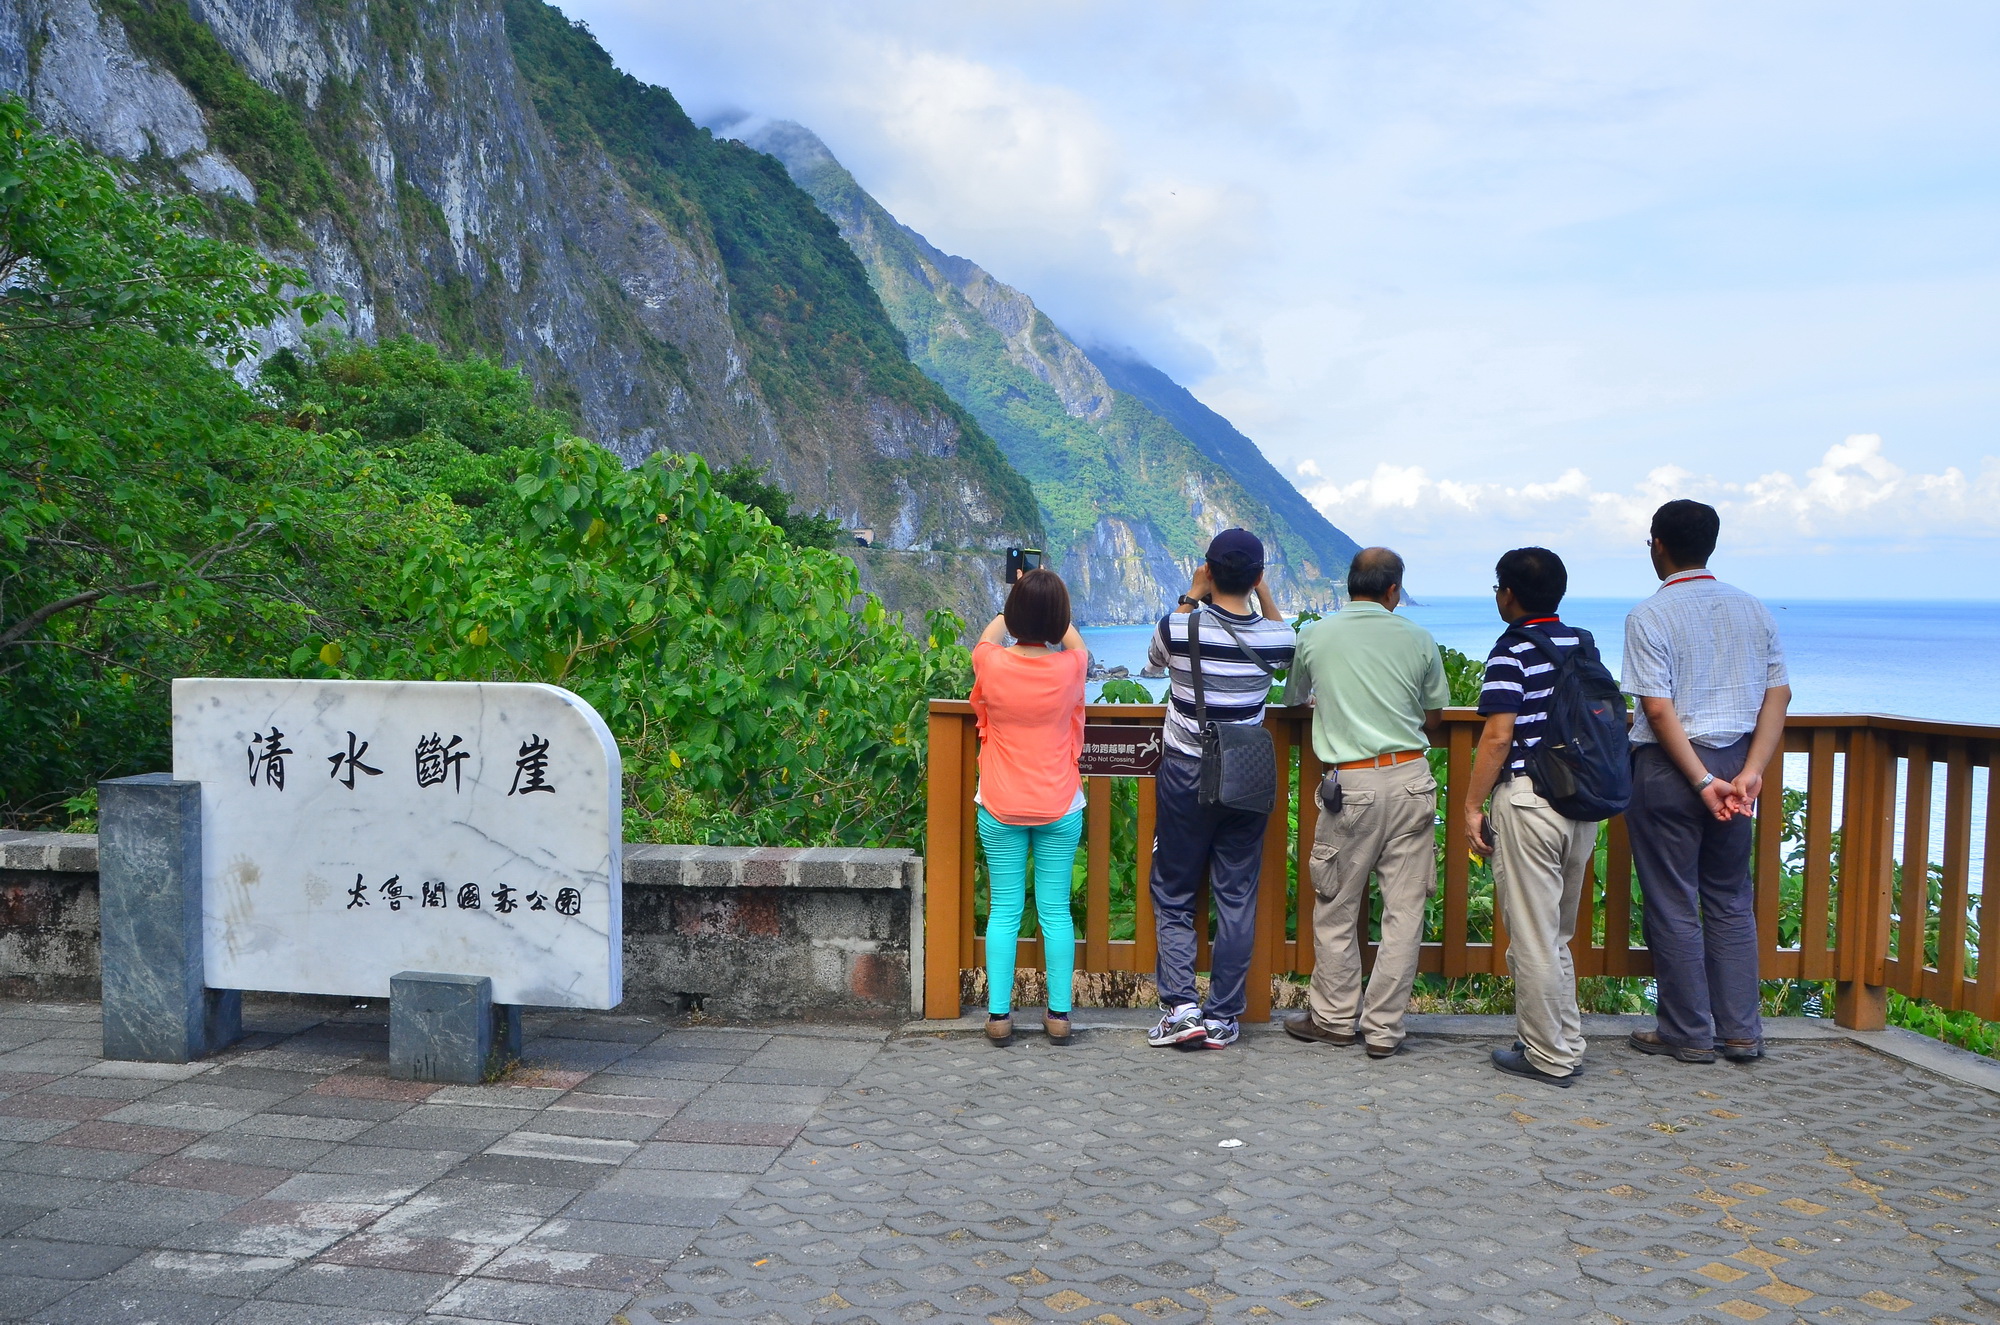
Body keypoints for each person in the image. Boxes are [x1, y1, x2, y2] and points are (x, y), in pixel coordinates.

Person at [1622, 500, 1790, 1064]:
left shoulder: (1650, 615)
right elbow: (1778, 695)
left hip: (1671, 773)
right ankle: (1742, 1032)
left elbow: (1659, 709)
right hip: (1738, 763)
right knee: (1729, 899)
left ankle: (1688, 1034)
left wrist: (1699, 780)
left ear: (1659, 546)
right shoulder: (1753, 609)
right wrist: (1750, 773)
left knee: (1673, 902)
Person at [1281, 548, 1448, 1059]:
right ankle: (1383, 1030)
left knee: (1335, 906)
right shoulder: (1418, 638)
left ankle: (1333, 1019)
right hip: (1411, 782)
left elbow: (1293, 702)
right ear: (1394, 590)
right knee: (1404, 911)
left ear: (1348, 585)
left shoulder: (1316, 634)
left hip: (1349, 787)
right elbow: (1435, 715)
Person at [1145, 529, 1295, 1051]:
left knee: (1173, 889)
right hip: (1244, 776)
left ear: (1207, 569)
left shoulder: (1180, 625)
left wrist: (1192, 593)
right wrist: (1265, 593)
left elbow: (1153, 660)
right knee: (1235, 894)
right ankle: (1224, 1016)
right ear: (1254, 578)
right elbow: (1287, 643)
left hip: (1186, 771)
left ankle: (1182, 1007)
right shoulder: (1277, 638)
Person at [1461, 548, 1600, 1087]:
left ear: (1510, 594)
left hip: (1530, 802)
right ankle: (1566, 1040)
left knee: (1533, 937)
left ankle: (1548, 1055)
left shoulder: (1512, 650)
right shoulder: (1581, 642)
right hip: (1581, 804)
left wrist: (1472, 806)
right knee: (1557, 934)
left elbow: (1498, 736)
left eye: (1498, 587)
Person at [969, 568, 1091, 1048]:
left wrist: (1014, 602)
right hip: (1059, 802)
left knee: (1003, 911)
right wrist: (1046, 608)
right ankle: (1058, 1015)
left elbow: (989, 636)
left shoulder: (991, 663)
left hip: (1000, 803)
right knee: (1055, 912)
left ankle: (999, 1016)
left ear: (1015, 615)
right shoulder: (1072, 667)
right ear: (1060, 619)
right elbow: (1075, 643)